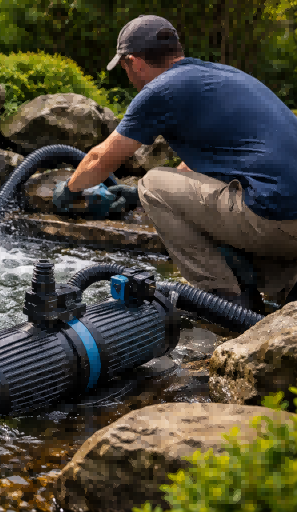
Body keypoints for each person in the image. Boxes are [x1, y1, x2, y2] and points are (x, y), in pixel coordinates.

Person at [53, 14, 297, 311]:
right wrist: (134, 198)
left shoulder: (160, 89)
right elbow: (202, 170)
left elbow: (101, 159)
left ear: (135, 61)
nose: (128, 77)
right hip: (288, 221)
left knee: (153, 183)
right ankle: (287, 284)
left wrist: (69, 190)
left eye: (126, 68)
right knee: (162, 188)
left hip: (277, 220)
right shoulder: (221, 76)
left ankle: (225, 298)